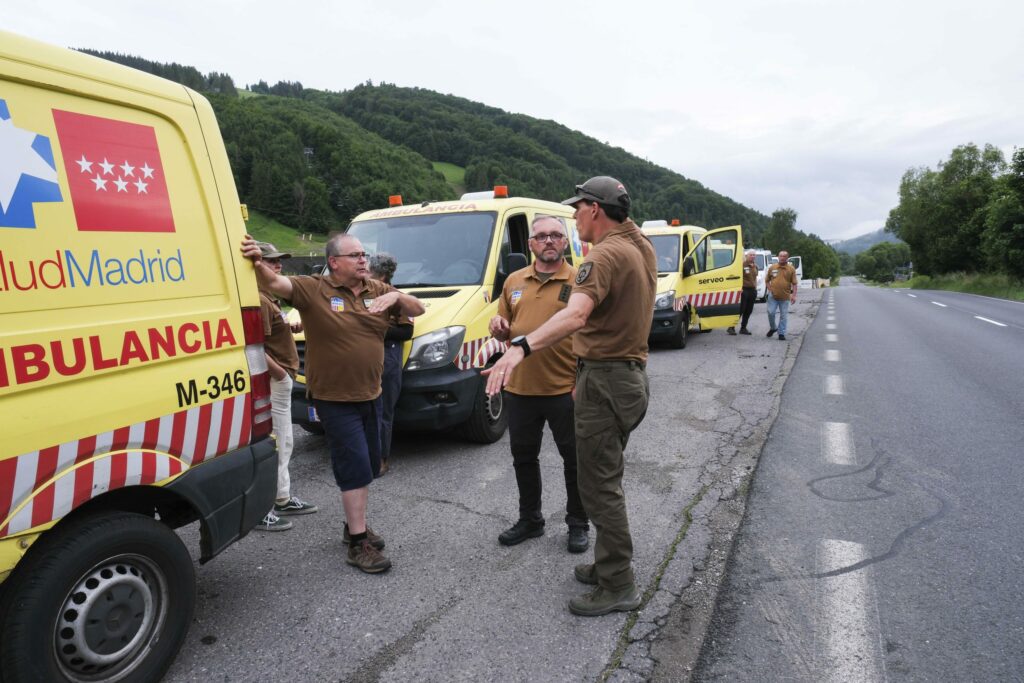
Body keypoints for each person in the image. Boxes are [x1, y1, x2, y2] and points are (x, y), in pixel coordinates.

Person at [484, 176, 657, 617]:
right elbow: (628, 224)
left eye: (577, 209)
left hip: (607, 380)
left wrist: (520, 347)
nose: (573, 217)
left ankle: (618, 584)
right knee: (601, 478)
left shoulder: (600, 256)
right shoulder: (639, 248)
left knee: (600, 487)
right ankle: (605, 566)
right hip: (623, 377)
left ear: (594, 211)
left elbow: (577, 313)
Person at [241, 233, 425, 573]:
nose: (362, 260)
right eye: (354, 255)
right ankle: (357, 542)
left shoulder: (377, 290)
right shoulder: (314, 290)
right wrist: (255, 258)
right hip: (333, 398)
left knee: (370, 464)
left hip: (372, 393)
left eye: (363, 255)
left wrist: (396, 297)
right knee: (354, 464)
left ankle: (353, 524)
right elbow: (273, 281)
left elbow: (418, 309)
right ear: (334, 262)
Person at [489, 215, 589, 554]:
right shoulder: (514, 280)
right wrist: (501, 328)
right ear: (530, 244)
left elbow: (589, 332)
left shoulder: (579, 279)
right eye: (541, 236)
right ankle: (530, 519)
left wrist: (583, 380)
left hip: (565, 387)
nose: (548, 241)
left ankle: (578, 523)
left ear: (564, 242)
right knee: (523, 457)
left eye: (555, 236)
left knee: (574, 460)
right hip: (521, 389)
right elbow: (509, 327)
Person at [253, 242, 318, 532]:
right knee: (279, 441)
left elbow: (268, 336)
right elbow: (254, 346)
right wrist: (280, 374)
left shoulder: (269, 298)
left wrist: (287, 329)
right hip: (276, 379)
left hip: (281, 377)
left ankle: (281, 496)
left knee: (286, 440)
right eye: (271, 261)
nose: (278, 266)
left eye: (279, 261)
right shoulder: (260, 299)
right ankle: (263, 508)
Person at [369, 253, 413, 476]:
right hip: (364, 357)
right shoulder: (362, 293)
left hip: (388, 356)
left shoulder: (397, 297)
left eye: (370, 272)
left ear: (382, 275)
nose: (365, 275)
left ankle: (381, 459)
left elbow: (407, 331)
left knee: (383, 410)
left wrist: (377, 330)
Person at [765, 250, 798, 340]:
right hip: (773, 296)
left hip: (785, 296)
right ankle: (773, 328)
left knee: (783, 316)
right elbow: (767, 280)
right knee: (770, 312)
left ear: (787, 258)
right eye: (780, 256)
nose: (782, 257)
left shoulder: (791, 269)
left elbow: (794, 283)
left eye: (784, 256)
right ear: (778, 257)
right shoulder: (773, 267)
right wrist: (770, 289)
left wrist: (794, 295)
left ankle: (781, 333)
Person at [737, 250, 759, 335]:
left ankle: (743, 328)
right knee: (741, 310)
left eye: (754, 255)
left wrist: (755, 288)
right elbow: (738, 277)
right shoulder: (742, 265)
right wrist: (740, 288)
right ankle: (731, 327)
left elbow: (755, 278)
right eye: (751, 255)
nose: (752, 256)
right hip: (744, 290)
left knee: (749, 310)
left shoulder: (755, 266)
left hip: (752, 290)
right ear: (747, 256)